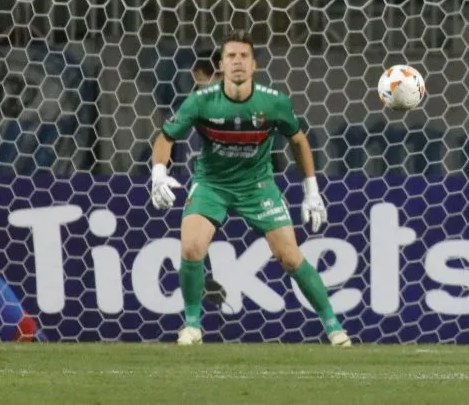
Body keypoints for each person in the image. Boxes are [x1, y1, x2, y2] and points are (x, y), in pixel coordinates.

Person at [149, 28, 349, 346]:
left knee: (289, 257)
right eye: (231, 55)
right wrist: (159, 173)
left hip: (258, 186)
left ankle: (334, 327)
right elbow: (166, 137)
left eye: (244, 56)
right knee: (191, 248)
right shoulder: (201, 101)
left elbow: (298, 140)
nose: (238, 61)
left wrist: (312, 191)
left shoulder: (273, 103)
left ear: (254, 64)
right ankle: (192, 326)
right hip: (212, 184)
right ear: (221, 65)